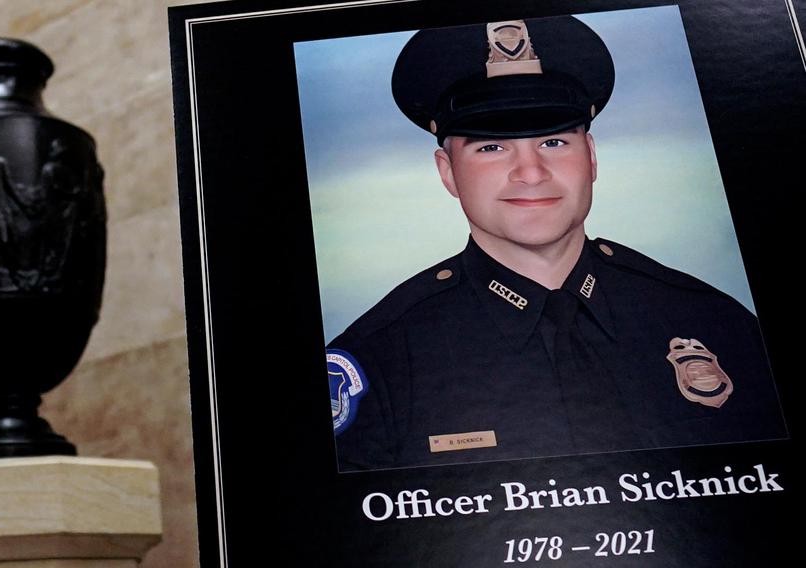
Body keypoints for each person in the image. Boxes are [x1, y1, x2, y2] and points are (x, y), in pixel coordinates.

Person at [325, 16, 786, 471]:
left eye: (553, 142)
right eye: (491, 147)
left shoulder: (719, 325)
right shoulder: (379, 362)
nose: (530, 172)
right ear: (447, 172)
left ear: (591, 157)